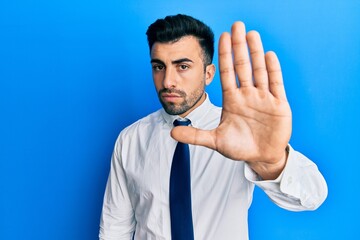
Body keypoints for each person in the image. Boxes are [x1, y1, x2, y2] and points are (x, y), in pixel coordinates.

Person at [99, 14, 327, 240]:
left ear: (208, 74)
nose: (168, 81)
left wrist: (272, 162)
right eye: (159, 67)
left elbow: (312, 196)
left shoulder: (241, 130)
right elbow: (114, 229)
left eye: (183, 66)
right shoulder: (130, 139)